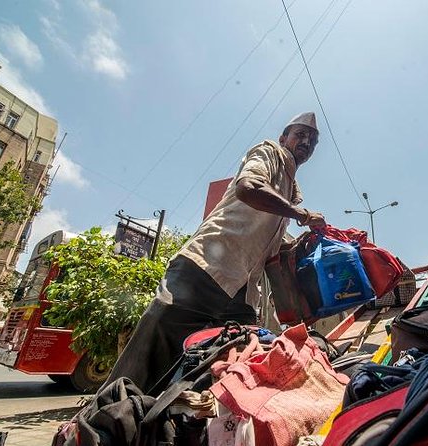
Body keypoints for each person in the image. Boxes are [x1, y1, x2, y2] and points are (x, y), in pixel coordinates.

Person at [101, 112, 326, 394]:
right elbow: (249, 188)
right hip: (205, 268)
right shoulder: (269, 152)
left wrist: (299, 250)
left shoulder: (291, 193)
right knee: (149, 357)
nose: (307, 141)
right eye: (300, 134)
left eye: (313, 140)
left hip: (241, 295)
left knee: (233, 369)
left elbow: (268, 252)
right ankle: (104, 420)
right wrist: (301, 215)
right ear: (284, 138)